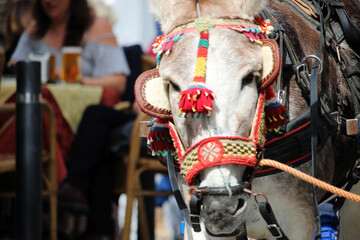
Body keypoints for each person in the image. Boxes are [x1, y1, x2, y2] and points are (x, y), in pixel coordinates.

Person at [9, 0, 132, 239]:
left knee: (94, 119)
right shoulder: (36, 29)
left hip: (98, 116)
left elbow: (119, 83)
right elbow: (15, 67)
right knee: (95, 143)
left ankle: (70, 190)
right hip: (55, 124)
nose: (49, 1)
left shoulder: (96, 26)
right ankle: (93, 225)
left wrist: (75, 80)